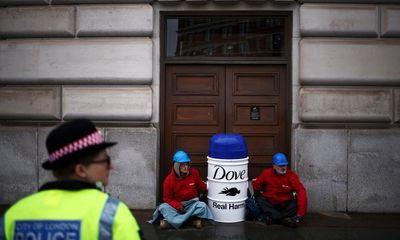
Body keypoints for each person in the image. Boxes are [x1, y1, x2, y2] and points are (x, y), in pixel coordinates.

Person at [0, 119, 142, 239]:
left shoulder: (14, 214)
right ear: (81, 170)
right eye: (106, 160)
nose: (111, 167)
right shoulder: (112, 213)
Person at [148, 150, 213, 229]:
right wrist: (178, 206)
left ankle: (171, 223)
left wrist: (212, 184)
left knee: (202, 206)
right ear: (176, 165)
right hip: (177, 207)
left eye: (187, 164)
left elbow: (202, 187)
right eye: (182, 165)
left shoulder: (194, 173)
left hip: (192, 205)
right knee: (163, 207)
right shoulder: (168, 180)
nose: (186, 167)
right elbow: (168, 198)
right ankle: (192, 222)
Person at [248, 152, 307, 228]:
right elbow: (255, 185)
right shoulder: (266, 173)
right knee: (259, 199)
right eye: (280, 166)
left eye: (284, 165)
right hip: (270, 204)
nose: (283, 168)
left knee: (297, 202)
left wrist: (300, 214)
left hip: (285, 206)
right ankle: (284, 220)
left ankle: (272, 219)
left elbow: (301, 191)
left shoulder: (292, 176)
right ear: (274, 166)